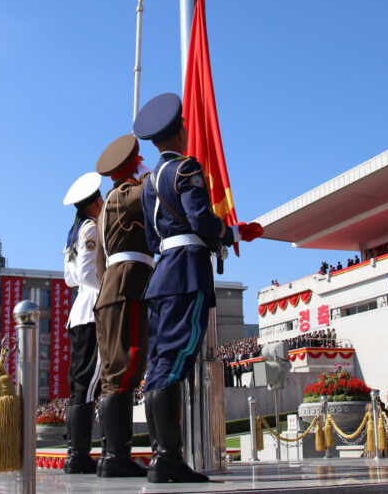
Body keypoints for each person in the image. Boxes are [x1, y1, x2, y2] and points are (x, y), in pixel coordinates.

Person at [134, 93, 263, 483]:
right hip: (187, 273)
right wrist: (233, 232)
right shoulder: (186, 169)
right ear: (179, 131)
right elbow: (202, 221)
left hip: (162, 275)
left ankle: (162, 457)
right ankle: (168, 459)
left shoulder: (148, 182)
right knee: (173, 365)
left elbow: (154, 239)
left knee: (159, 366)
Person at [92, 134, 153, 477]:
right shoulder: (124, 195)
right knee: (125, 369)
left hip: (113, 288)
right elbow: (154, 192)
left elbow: (101, 264)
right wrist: (145, 173)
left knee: (116, 374)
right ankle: (115, 457)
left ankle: (113, 455)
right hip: (126, 286)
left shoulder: (106, 207)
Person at [61, 172, 104, 474]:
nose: (103, 203)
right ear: (92, 204)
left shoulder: (74, 230)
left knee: (80, 384)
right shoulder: (90, 228)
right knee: (88, 384)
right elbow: (88, 274)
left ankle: (76, 452)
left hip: (79, 310)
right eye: (100, 199)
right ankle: (79, 455)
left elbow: (69, 277)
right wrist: (110, 286)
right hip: (92, 309)